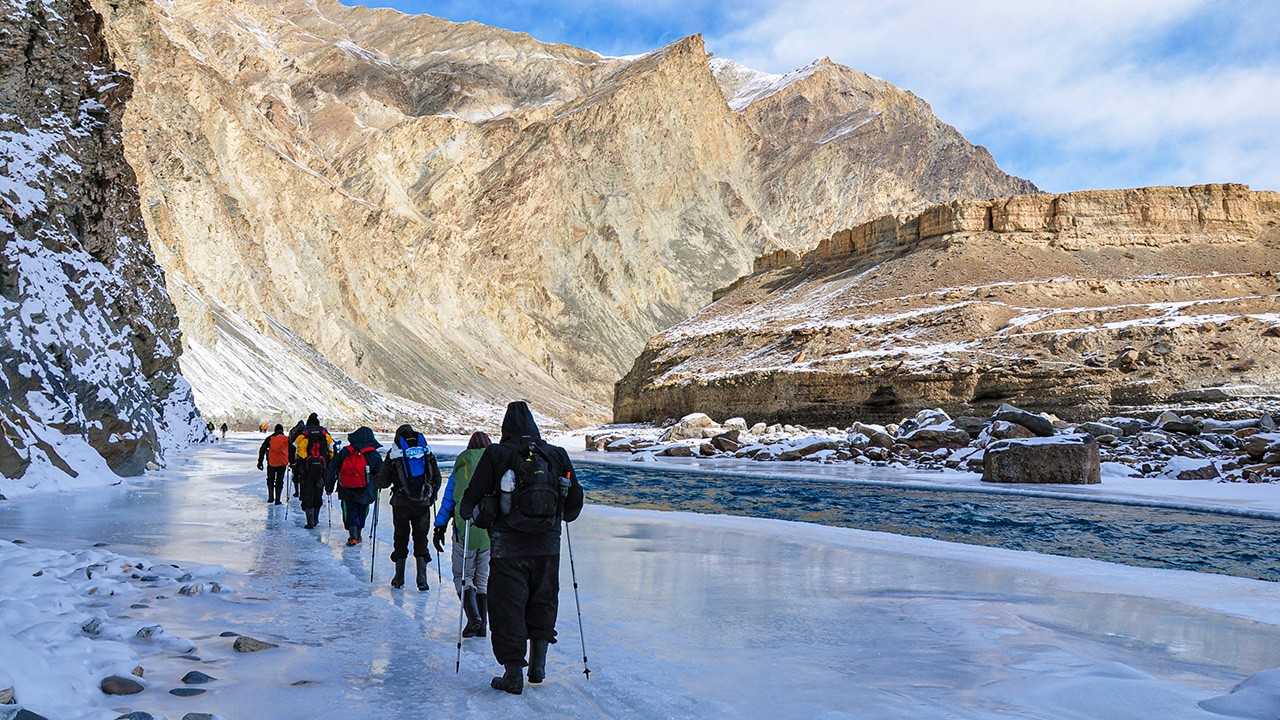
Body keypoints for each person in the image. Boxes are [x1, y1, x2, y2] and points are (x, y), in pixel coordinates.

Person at [461, 401, 584, 695]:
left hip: (507, 547)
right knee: (543, 600)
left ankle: (513, 672)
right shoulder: (556, 454)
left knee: (508, 608)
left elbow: (471, 499)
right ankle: (539, 665)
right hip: (548, 546)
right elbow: (573, 506)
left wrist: (473, 513)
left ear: (505, 427)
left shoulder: (497, 454)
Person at [434, 431, 492, 638]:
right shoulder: (495, 463)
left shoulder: (461, 466)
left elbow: (449, 500)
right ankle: (483, 625)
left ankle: (473, 619)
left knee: (463, 577)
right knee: (482, 579)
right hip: (489, 532)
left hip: (465, 528)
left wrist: (439, 526)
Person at [377, 424, 442, 591]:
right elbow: (437, 478)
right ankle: (422, 579)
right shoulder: (426, 453)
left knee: (401, 537)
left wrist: (376, 478)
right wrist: (431, 496)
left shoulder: (395, 454)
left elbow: (383, 482)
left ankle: (399, 578)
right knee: (421, 538)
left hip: (401, 504)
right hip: (422, 504)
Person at [326, 427, 382, 546]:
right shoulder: (373, 454)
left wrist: (329, 486)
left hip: (346, 488)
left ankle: (353, 535)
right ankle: (358, 532)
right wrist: (378, 486)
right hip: (366, 489)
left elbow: (332, 468)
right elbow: (380, 473)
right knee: (362, 510)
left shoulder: (345, 452)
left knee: (350, 510)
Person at [293, 413, 334, 529]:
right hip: (321, 469)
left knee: (307, 494)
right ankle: (316, 518)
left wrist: (298, 463)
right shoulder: (324, 433)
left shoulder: (304, 433)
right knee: (318, 493)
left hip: (306, 470)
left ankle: (310, 521)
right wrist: (328, 462)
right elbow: (331, 449)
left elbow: (297, 448)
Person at [256, 423, 290, 504]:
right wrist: (292, 462)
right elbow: (292, 450)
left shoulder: (269, 438)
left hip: (271, 463)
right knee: (279, 480)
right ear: (282, 430)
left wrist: (260, 462)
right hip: (282, 463)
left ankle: (271, 497)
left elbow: (262, 449)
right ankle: (277, 500)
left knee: (270, 479)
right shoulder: (286, 439)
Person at [287, 419, 306, 498]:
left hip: (294, 457)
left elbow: (290, 445)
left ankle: (297, 492)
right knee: (303, 475)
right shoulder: (305, 432)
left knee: (295, 474)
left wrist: (290, 460)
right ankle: (302, 493)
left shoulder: (293, 432)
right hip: (303, 457)